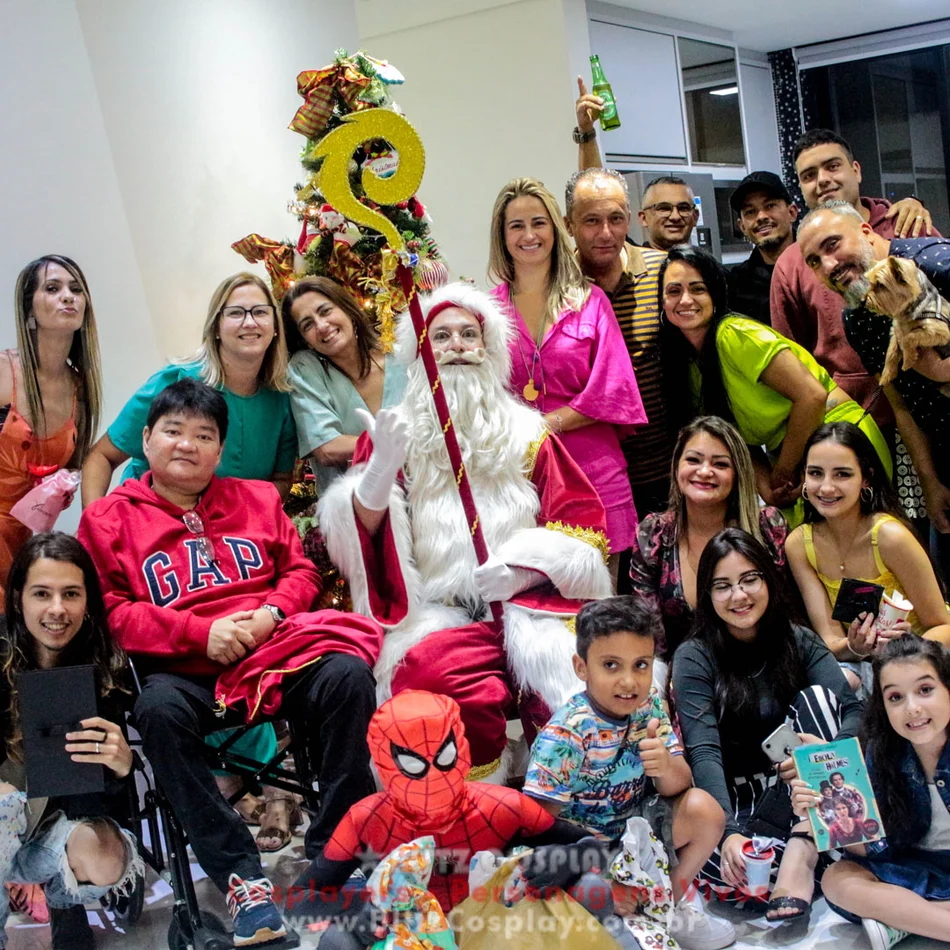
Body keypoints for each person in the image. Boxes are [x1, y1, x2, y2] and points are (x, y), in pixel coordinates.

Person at [77, 377, 382, 947]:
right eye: (173, 431)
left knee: (346, 675)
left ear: (220, 449)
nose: (187, 445)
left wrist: (270, 611)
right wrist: (198, 633)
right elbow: (113, 613)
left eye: (203, 435)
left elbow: (301, 573)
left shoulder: (258, 499)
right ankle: (242, 879)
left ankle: (336, 854)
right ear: (146, 439)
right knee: (157, 711)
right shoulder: (110, 519)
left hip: (274, 655)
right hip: (184, 671)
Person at [318, 282, 613, 780]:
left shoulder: (529, 433)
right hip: (443, 613)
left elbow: (584, 529)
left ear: (488, 349)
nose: (456, 345)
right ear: (420, 355)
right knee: (430, 675)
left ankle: (568, 804)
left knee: (577, 680)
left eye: (469, 335)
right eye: (441, 337)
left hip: (532, 605)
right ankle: (474, 808)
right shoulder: (396, 434)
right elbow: (364, 542)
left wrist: (523, 572)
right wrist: (378, 475)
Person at [522, 596, 737, 950]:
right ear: (581, 667)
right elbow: (536, 829)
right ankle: (619, 914)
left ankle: (666, 906)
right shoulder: (566, 735)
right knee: (598, 902)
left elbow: (681, 784)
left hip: (635, 835)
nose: (628, 681)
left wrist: (665, 766)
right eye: (610, 665)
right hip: (582, 852)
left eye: (641, 664)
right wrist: (599, 878)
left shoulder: (649, 703)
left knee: (706, 810)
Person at [672, 528, 864, 922]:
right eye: (722, 586)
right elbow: (703, 750)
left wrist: (825, 754)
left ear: (768, 580)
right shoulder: (694, 656)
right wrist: (727, 835)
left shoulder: (798, 639)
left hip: (811, 791)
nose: (738, 596)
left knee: (822, 699)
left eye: (749, 580)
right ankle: (830, 859)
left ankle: (805, 846)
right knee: (724, 870)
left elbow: (856, 712)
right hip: (741, 799)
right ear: (707, 596)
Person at [659, 244, 891, 517]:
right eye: (674, 291)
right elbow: (733, 435)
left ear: (715, 294)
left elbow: (812, 396)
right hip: (791, 455)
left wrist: (782, 472)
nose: (685, 300)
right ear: (662, 302)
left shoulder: (733, 334)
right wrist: (768, 486)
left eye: (698, 289)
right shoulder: (687, 362)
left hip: (838, 438)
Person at [488, 176, 646, 572]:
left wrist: (543, 426)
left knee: (601, 610)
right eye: (517, 225)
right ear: (502, 235)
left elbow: (613, 391)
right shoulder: (485, 312)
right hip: (522, 478)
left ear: (556, 228)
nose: (529, 235)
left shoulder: (591, 301)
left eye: (538, 223)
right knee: (534, 605)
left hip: (593, 471)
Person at [0, 533, 142, 950]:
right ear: (18, 599)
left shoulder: (103, 663)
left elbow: (101, 799)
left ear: (87, 601)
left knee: (106, 855)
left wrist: (121, 765)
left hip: (51, 826)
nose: (57, 609)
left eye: (71, 594)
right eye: (42, 593)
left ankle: (66, 906)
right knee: (4, 804)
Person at [796, 198, 950, 581]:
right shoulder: (858, 317)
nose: (828, 266)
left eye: (832, 245)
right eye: (814, 261)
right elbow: (900, 403)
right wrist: (929, 481)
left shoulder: (935, 264)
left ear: (866, 232)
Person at [81, 272, 295, 504]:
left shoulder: (281, 397)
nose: (250, 322)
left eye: (260, 311)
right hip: (149, 517)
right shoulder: (176, 381)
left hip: (229, 531)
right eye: (235, 313)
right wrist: (95, 526)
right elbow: (101, 456)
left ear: (275, 326)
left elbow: (281, 479)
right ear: (215, 328)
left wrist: (238, 512)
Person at [770, 128, 935, 430]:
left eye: (832, 166)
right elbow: (793, 362)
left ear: (855, 170)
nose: (822, 180)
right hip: (851, 427)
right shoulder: (791, 265)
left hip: (934, 406)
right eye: (808, 175)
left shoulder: (908, 226)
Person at [804, 636, 950, 949]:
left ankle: (906, 921)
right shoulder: (878, 755)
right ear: (883, 707)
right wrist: (827, 808)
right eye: (895, 697)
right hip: (914, 869)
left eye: (925, 690)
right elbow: (877, 852)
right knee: (838, 879)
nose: (912, 708)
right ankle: (926, 920)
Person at [786, 422, 950, 695]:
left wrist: (905, 649)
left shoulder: (889, 537)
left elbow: (943, 627)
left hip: (926, 657)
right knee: (832, 685)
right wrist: (855, 646)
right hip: (864, 664)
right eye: (815, 473)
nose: (826, 487)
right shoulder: (799, 545)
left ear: (866, 479)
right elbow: (830, 640)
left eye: (842, 474)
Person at [628, 416, 787, 675]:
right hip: (684, 677)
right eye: (693, 460)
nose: (704, 471)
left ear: (737, 474)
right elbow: (649, 634)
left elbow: (783, 614)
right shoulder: (653, 534)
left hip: (764, 668)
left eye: (720, 464)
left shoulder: (767, 526)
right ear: (676, 466)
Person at [563, 167, 673, 528]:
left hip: (671, 473)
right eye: (592, 221)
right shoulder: (558, 292)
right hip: (593, 478)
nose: (606, 233)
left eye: (616, 219)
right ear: (568, 225)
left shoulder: (664, 273)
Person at [0, 256, 102, 587]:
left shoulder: (80, 389)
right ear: (29, 308)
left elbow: (70, 472)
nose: (68, 296)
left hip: (21, 549)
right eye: (53, 288)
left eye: (76, 289)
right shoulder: (4, 371)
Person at [281, 276, 408, 496]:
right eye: (307, 324)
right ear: (304, 339)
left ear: (347, 309)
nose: (321, 326)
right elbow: (327, 449)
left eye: (325, 311)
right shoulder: (304, 369)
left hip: (423, 500)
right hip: (352, 511)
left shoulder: (402, 356)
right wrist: (401, 443)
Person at [727, 171, 798, 324]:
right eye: (750, 212)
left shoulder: (821, 264)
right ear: (742, 227)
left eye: (770, 206)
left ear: (792, 212)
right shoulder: (737, 284)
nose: (761, 217)